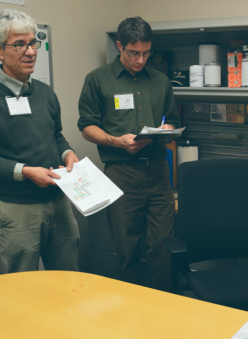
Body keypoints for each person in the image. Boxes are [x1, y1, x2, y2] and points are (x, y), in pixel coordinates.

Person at [78, 16, 180, 292]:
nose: (140, 60)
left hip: (159, 172)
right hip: (121, 173)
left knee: (163, 249)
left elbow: (171, 118)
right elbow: (86, 127)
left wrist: (167, 128)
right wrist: (116, 140)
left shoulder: (160, 81)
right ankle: (133, 317)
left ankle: (163, 309)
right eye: (134, 53)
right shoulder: (98, 80)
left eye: (146, 53)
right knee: (127, 249)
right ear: (120, 46)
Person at [0, 9, 80, 273]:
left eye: (33, 43)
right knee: (21, 291)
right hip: (16, 208)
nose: (30, 51)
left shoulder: (44, 92)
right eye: (19, 44)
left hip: (58, 202)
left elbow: (56, 134)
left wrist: (67, 152)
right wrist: (26, 172)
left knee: (69, 281)